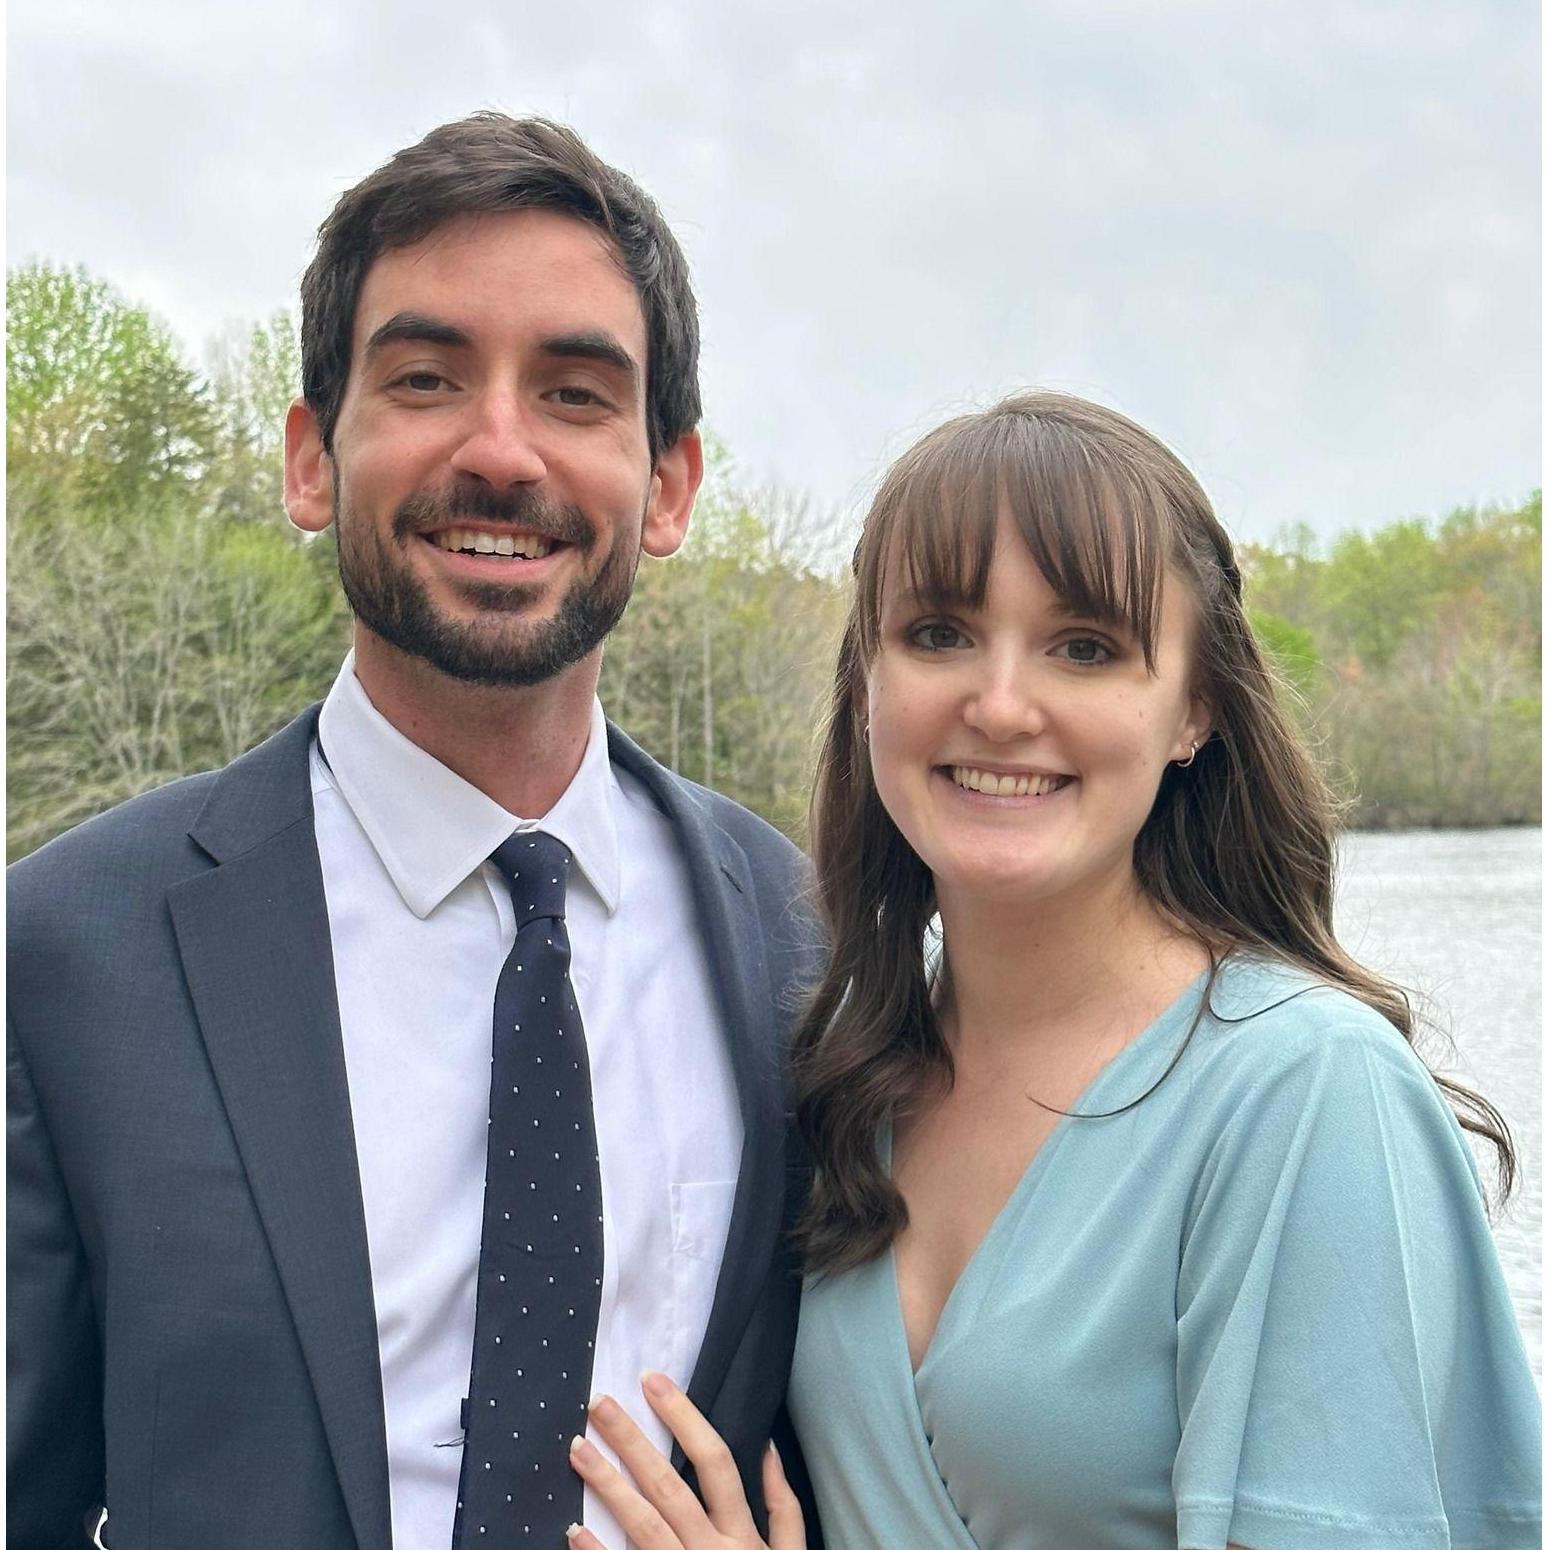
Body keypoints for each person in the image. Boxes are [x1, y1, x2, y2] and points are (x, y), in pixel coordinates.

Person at [8, 114, 821, 1550]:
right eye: (429, 378)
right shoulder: (69, 953)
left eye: (575, 394)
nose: (499, 451)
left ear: (672, 484)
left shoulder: (801, 938)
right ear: (313, 459)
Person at [564, 392, 1541, 1549]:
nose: (999, 703)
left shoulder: (1304, 1094)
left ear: (1195, 710)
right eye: (937, 633)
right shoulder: (845, 1081)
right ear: (866, 683)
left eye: (1083, 647)